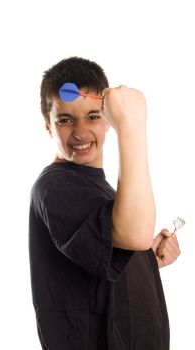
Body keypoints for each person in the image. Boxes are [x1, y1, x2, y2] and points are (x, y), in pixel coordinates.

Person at [29, 56, 181, 350]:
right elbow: (132, 233)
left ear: (105, 120)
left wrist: (145, 257)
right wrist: (132, 127)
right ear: (48, 127)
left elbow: (104, 254)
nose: (81, 132)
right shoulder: (56, 186)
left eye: (93, 116)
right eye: (64, 120)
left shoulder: (99, 188)